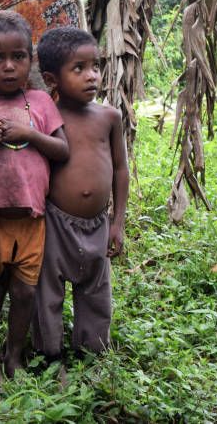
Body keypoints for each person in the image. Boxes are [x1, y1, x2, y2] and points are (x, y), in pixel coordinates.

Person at [0, 11, 69, 378]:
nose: (8, 67)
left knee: (25, 293)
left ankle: (15, 355)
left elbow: (62, 151)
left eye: (18, 57)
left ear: (31, 59)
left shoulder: (40, 102)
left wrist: (29, 134)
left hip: (32, 219)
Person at [33, 27, 128, 364]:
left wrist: (117, 223)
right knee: (48, 290)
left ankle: (92, 350)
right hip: (55, 220)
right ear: (51, 78)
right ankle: (50, 352)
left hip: (98, 222)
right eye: (79, 69)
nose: (92, 77)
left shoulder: (108, 117)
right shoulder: (45, 118)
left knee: (96, 290)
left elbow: (119, 170)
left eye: (95, 66)